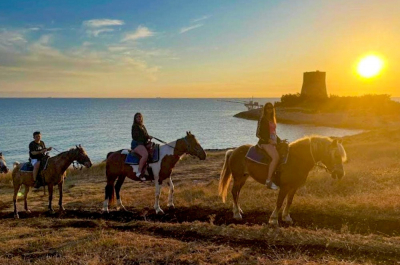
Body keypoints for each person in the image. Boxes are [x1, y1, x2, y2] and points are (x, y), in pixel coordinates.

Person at [256, 103, 280, 190]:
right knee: (276, 158)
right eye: (267, 108)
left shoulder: (272, 119)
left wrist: (280, 141)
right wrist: (269, 141)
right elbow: (258, 134)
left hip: (273, 142)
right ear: (265, 109)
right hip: (264, 143)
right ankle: (268, 181)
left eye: (271, 108)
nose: (269, 110)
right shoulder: (262, 119)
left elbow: (273, 133)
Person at [131, 113, 152, 181]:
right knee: (145, 155)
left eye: (140, 117)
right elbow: (135, 136)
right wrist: (146, 137)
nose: (139, 118)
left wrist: (148, 136)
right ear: (135, 119)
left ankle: (148, 171)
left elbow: (145, 134)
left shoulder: (142, 126)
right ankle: (139, 172)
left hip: (143, 143)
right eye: (137, 117)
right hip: (137, 144)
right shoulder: (135, 126)